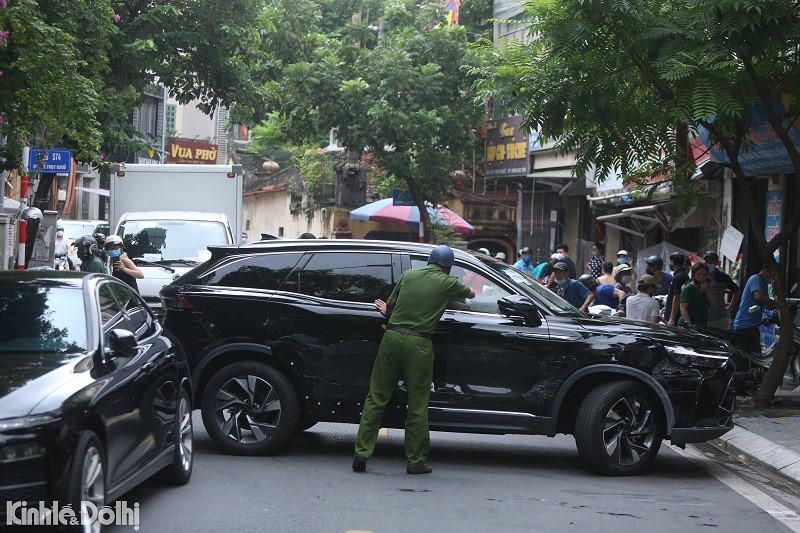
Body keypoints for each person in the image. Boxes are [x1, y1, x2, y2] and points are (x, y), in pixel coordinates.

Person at [353, 245, 475, 474]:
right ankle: (415, 461)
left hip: (391, 336)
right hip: (419, 344)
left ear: (429, 261)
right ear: (447, 267)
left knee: (376, 397)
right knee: (417, 405)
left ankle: (361, 454)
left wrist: (388, 312)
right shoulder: (447, 282)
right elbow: (472, 294)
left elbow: (389, 308)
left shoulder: (408, 275)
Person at [732, 267, 776, 354]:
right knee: (751, 354)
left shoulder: (763, 284)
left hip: (752, 325)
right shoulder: (755, 278)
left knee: (755, 353)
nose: (772, 277)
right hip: (745, 324)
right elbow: (758, 296)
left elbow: (766, 305)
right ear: (765, 270)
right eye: (772, 274)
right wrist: (777, 304)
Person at [703, 251, 741, 331]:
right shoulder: (701, 276)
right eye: (707, 261)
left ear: (717, 262)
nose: (709, 263)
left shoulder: (723, 277)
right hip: (703, 317)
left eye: (711, 261)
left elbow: (737, 291)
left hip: (719, 319)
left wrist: (730, 308)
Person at [679, 262, 716, 327]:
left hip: (702, 324)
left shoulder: (706, 288)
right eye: (699, 274)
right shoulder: (689, 288)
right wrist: (689, 324)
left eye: (704, 274)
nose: (702, 277)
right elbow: (683, 307)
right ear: (693, 275)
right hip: (690, 324)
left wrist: (707, 291)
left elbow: (714, 303)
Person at [666, 253, 689, 326]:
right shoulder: (681, 275)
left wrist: (672, 318)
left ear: (672, 262)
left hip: (676, 316)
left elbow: (677, 297)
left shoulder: (679, 277)